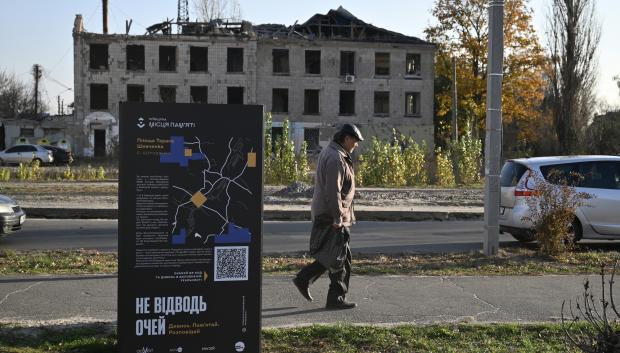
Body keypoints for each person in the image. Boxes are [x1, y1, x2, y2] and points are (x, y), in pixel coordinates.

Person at [292, 123, 363, 310]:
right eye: (355, 141)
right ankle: (334, 299)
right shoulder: (336, 158)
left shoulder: (333, 152)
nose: (356, 145)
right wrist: (338, 217)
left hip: (331, 213)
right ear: (346, 139)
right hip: (332, 215)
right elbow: (333, 191)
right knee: (340, 258)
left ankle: (304, 278)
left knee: (333, 255)